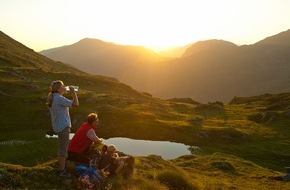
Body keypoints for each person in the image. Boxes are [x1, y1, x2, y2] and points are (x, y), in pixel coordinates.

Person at [46, 80, 79, 177]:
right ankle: (62, 171)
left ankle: (63, 165)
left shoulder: (54, 97)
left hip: (58, 126)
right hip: (62, 127)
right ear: (58, 89)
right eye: (63, 86)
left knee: (63, 147)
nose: (64, 87)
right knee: (62, 150)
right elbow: (76, 104)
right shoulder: (59, 98)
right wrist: (73, 92)